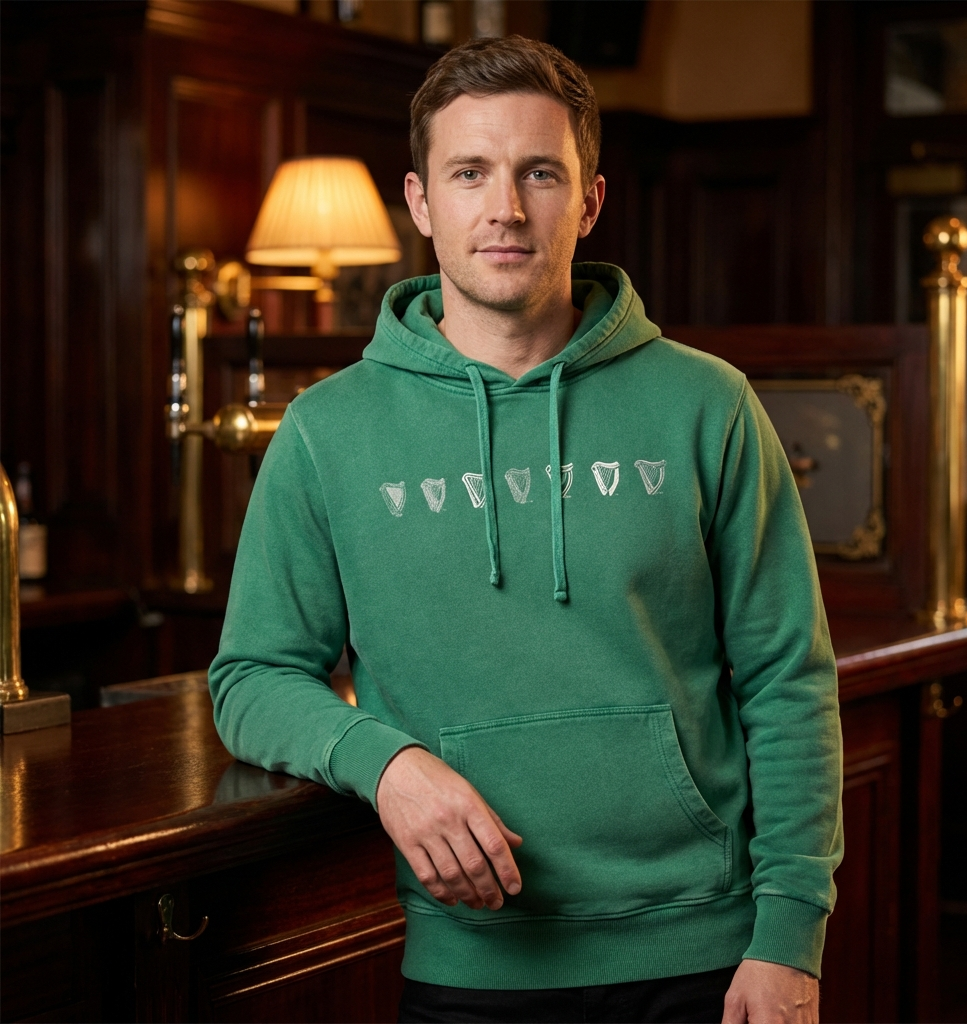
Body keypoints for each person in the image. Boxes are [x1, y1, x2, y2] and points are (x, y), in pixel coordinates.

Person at [209, 35, 842, 1024]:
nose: (505, 208)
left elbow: (787, 681)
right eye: (470, 173)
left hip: (709, 959)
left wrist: (789, 941)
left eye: (538, 173)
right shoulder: (328, 432)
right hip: (473, 968)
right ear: (420, 202)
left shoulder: (707, 405)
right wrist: (387, 763)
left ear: (589, 200)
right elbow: (249, 678)